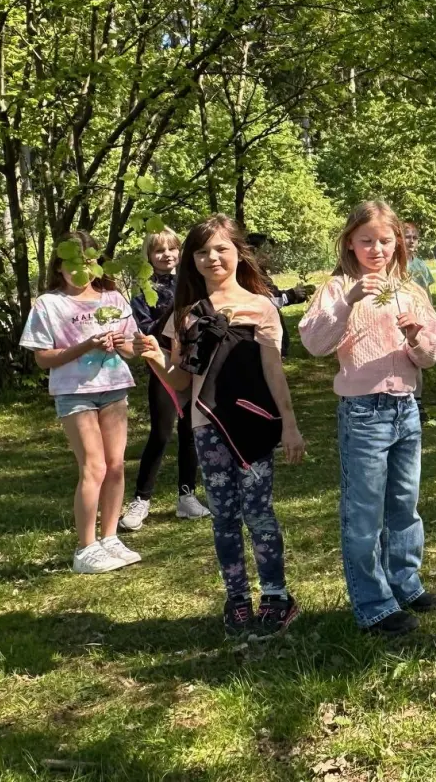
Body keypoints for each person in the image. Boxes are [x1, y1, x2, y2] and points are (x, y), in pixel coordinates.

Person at [135, 215, 305, 636]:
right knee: (224, 517)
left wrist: (289, 426)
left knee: (259, 513)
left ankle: (277, 596)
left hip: (253, 426)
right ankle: (237, 599)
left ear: (237, 253)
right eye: (202, 251)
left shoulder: (262, 307)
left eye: (221, 249)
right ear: (191, 260)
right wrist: (155, 358)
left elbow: (273, 371)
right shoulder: (185, 316)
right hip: (205, 428)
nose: (212, 258)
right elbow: (180, 380)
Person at [299, 201, 436, 636]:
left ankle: (405, 582)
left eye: (385, 240)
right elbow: (315, 342)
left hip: (406, 409)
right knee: (364, 511)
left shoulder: (410, 289)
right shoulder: (338, 288)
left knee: (404, 504)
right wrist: (348, 301)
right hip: (363, 412)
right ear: (350, 242)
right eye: (366, 241)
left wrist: (418, 338)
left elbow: (433, 354)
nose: (376, 249)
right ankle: (373, 603)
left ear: (398, 242)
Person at [19, 230, 142, 574]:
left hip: (114, 387)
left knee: (116, 465)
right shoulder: (49, 304)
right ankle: (85, 548)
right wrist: (86, 345)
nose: (82, 270)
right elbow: (43, 358)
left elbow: (132, 350)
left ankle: (110, 538)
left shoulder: (114, 299)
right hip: (74, 393)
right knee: (94, 467)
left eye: (90, 262)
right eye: (73, 263)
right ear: (59, 267)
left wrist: (120, 343)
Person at [122, 227, 210, 530]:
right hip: (163, 368)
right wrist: (173, 310)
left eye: (172, 248)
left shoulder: (195, 284)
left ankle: (187, 496)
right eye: (159, 250)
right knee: (161, 433)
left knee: (190, 432)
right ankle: (141, 499)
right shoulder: (143, 293)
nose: (167, 255)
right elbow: (146, 332)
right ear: (149, 256)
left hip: (195, 367)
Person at [243, 233, 310, 358]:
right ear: (253, 251)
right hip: (261, 341)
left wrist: (296, 295)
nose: (271, 256)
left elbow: (275, 297)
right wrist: (291, 294)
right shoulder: (249, 278)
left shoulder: (260, 274)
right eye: (267, 252)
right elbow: (268, 303)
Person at [403, 221, 436, 305]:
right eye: (407, 237)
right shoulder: (393, 265)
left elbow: (427, 292)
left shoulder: (421, 265)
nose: (411, 241)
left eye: (415, 238)